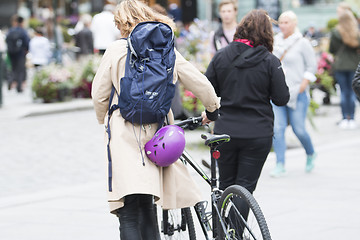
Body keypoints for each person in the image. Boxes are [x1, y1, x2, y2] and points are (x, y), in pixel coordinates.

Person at [91, 1, 220, 239]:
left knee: (129, 210)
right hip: (157, 134)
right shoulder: (165, 48)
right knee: (147, 204)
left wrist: (104, 120)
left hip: (124, 131)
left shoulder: (116, 50)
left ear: (121, 23)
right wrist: (212, 110)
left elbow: (99, 94)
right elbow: (199, 82)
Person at [205, 8, 289, 223]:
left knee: (224, 185)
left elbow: (207, 89)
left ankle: (221, 233)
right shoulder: (270, 61)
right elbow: (281, 98)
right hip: (257, 132)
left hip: (226, 131)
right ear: (266, 33)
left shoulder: (221, 56)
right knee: (245, 188)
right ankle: (236, 233)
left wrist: (210, 113)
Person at [270, 10, 317, 177]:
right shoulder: (275, 42)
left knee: (299, 129)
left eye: (286, 22)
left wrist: (303, 84)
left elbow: (312, 66)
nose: (283, 26)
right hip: (278, 94)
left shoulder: (302, 42)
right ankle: (280, 164)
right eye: (280, 22)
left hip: (298, 92)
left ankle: (310, 152)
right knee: (278, 129)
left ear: (294, 23)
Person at [329, 3, 360, 130]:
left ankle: (344, 118)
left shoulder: (336, 32)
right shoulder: (356, 33)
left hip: (341, 65)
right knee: (352, 92)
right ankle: (352, 118)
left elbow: (332, 49)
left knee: (343, 92)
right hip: (354, 64)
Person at [6, 15, 30, 92]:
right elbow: (27, 42)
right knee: (20, 70)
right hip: (20, 53)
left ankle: (10, 81)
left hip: (11, 53)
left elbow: (6, 40)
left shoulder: (10, 31)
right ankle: (19, 87)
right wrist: (26, 50)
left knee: (13, 68)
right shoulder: (23, 31)